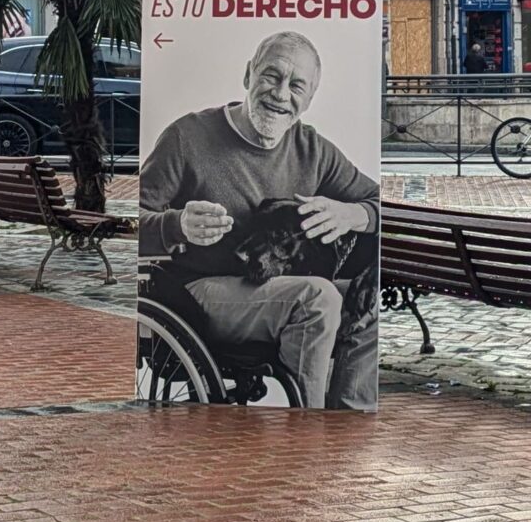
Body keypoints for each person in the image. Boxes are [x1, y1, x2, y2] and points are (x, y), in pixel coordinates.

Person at [138, 30, 381, 410]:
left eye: (297, 85)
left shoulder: (311, 149)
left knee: (368, 297)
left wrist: (353, 213)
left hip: (275, 286)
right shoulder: (187, 137)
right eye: (272, 76)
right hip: (197, 290)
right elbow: (127, 227)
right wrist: (176, 225)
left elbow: (379, 200)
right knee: (319, 297)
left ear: (310, 98)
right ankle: (306, 435)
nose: (281, 94)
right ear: (249, 75)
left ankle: (349, 422)